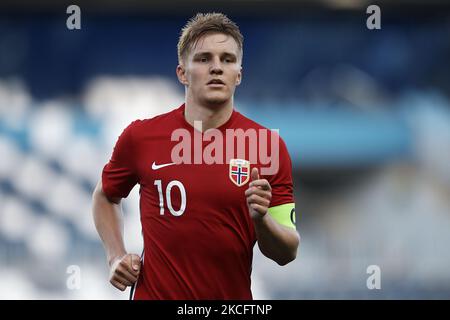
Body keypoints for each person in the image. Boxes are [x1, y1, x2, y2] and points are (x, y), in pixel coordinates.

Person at [92, 12, 300, 300]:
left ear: (238, 74)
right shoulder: (141, 137)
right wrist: (115, 256)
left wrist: (262, 219)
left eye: (227, 59)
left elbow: (287, 252)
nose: (217, 68)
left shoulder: (266, 146)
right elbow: (105, 195)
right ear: (182, 73)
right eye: (204, 59)